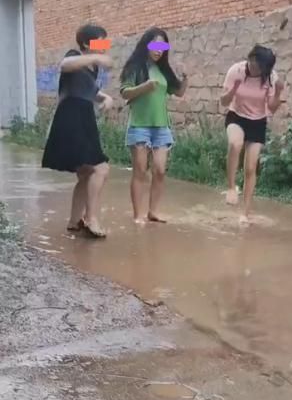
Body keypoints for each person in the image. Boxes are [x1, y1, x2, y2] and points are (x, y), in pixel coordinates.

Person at [42, 24, 114, 239]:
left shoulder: (92, 68)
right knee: (100, 169)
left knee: (85, 173)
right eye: (99, 42)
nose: (103, 47)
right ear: (85, 43)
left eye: (104, 42)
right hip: (71, 117)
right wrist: (95, 58)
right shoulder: (75, 56)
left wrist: (105, 97)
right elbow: (65, 65)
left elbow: (89, 90)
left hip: (83, 117)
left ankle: (75, 222)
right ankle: (91, 218)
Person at [120, 27, 188, 224]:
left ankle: (153, 211)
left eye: (162, 46)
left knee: (159, 169)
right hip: (139, 125)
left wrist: (185, 78)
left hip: (161, 127)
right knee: (140, 170)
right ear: (146, 45)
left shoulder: (164, 69)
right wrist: (145, 87)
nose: (159, 50)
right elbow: (125, 93)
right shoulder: (135, 67)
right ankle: (138, 214)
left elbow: (179, 92)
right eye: (155, 45)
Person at [221, 45, 284, 224]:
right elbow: (223, 102)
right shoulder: (236, 70)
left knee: (251, 167)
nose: (253, 66)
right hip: (236, 116)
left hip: (258, 121)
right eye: (252, 61)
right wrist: (233, 89)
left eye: (258, 65)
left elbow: (271, 107)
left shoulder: (271, 77)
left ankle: (245, 212)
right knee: (235, 143)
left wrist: (278, 92)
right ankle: (231, 187)